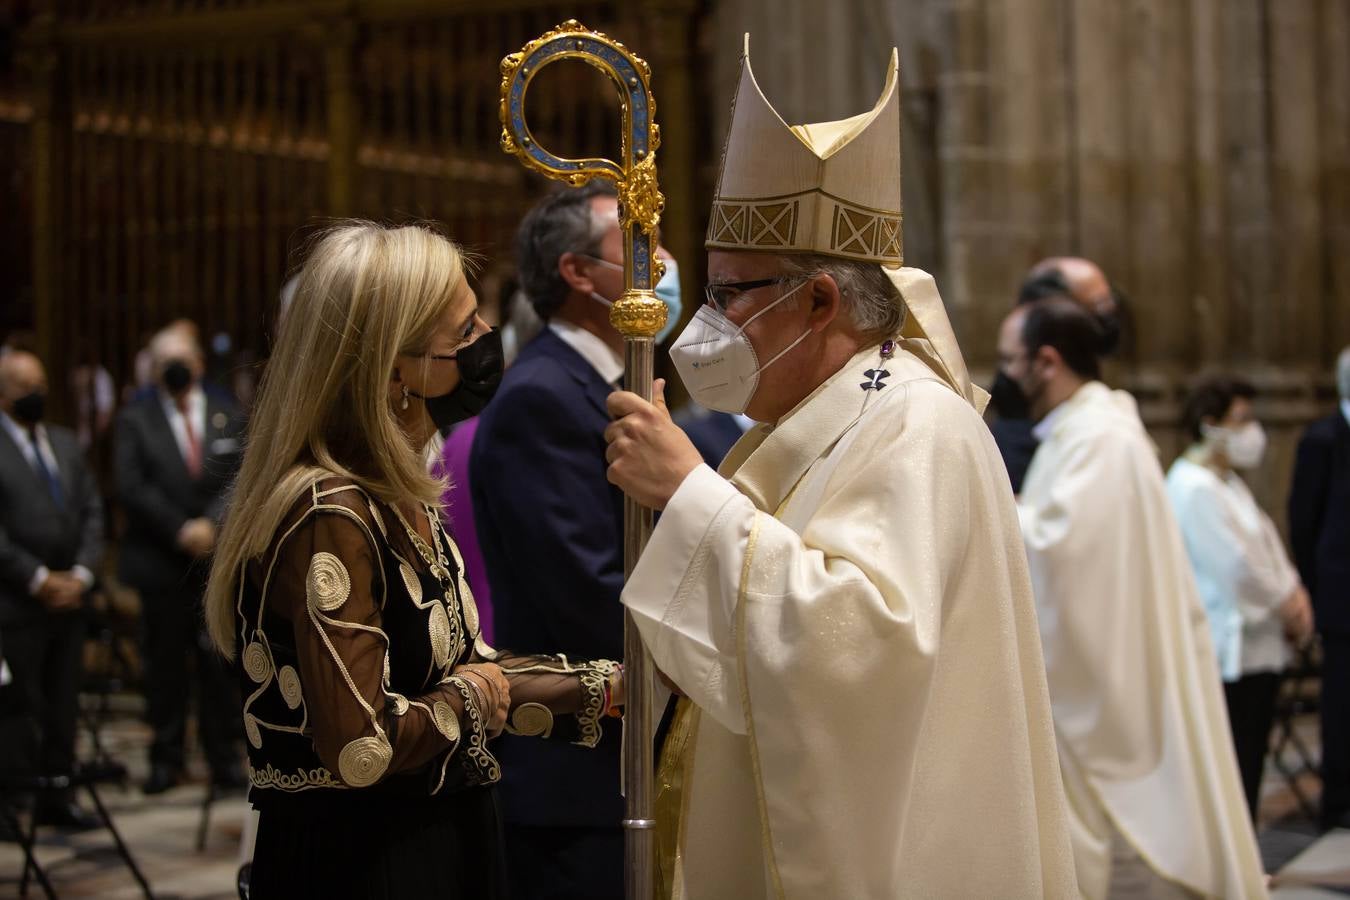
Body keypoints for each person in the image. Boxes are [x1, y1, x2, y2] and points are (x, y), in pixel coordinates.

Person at [603, 38, 1075, 898]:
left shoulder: (915, 424)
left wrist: (686, 491)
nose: (707, 325)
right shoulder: (838, 411)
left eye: (730, 294)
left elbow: (867, 644)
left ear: (819, 301)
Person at [202, 222, 624, 899]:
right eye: (463, 332)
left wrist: (614, 687)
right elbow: (361, 744)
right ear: (394, 368)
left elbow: (467, 666)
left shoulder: (392, 491)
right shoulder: (329, 510)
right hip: (370, 858)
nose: (486, 337)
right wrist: (471, 693)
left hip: (429, 833)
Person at [1003, 298, 1267, 897]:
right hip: (1106, 659)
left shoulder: (1100, 437)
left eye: (1009, 360)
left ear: (1047, 361)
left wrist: (990, 502)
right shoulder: (1085, 430)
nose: (1005, 375)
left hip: (1110, 680)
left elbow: (1060, 551)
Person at [470, 182, 678, 900]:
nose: (666, 263)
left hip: (618, 752)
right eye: (641, 249)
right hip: (577, 765)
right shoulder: (542, 396)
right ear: (580, 274)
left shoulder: (608, 383)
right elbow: (588, 593)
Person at [1166, 375, 1314, 821]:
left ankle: (1245, 858)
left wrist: (1295, 593)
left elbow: (1267, 545)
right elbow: (1236, 567)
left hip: (1259, 643)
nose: (1252, 432)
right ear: (1209, 425)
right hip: (1228, 646)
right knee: (1233, 760)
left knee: (1250, 756)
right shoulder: (1191, 486)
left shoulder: (1225, 482)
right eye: (1242, 420)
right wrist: (1287, 604)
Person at [114, 324, 246, 794]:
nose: (174, 366)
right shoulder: (136, 418)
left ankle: (223, 756)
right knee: (165, 665)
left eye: (181, 357)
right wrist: (180, 530)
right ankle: (165, 758)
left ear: (198, 362)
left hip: (213, 559)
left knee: (217, 664)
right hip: (160, 559)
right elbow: (131, 486)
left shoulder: (225, 411)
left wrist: (210, 525)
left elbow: (240, 475)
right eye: (163, 358)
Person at [0, 350, 104, 829]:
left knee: (64, 702)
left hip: (71, 598)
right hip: (18, 599)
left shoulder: (63, 442)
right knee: (18, 707)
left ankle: (57, 795)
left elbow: (91, 511)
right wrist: (38, 579)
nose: (36, 395)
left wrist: (81, 574)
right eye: (25, 388)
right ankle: (11, 798)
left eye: (40, 384)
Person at [989, 257, 1125, 493]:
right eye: (1098, 305)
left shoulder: (1097, 433)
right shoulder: (1022, 415)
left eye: (1108, 303)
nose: (1107, 320)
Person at [1289, 345, 1350, 831]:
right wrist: (1314, 586)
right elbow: (1304, 521)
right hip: (1340, 597)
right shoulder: (1323, 438)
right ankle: (1339, 800)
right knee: (1341, 703)